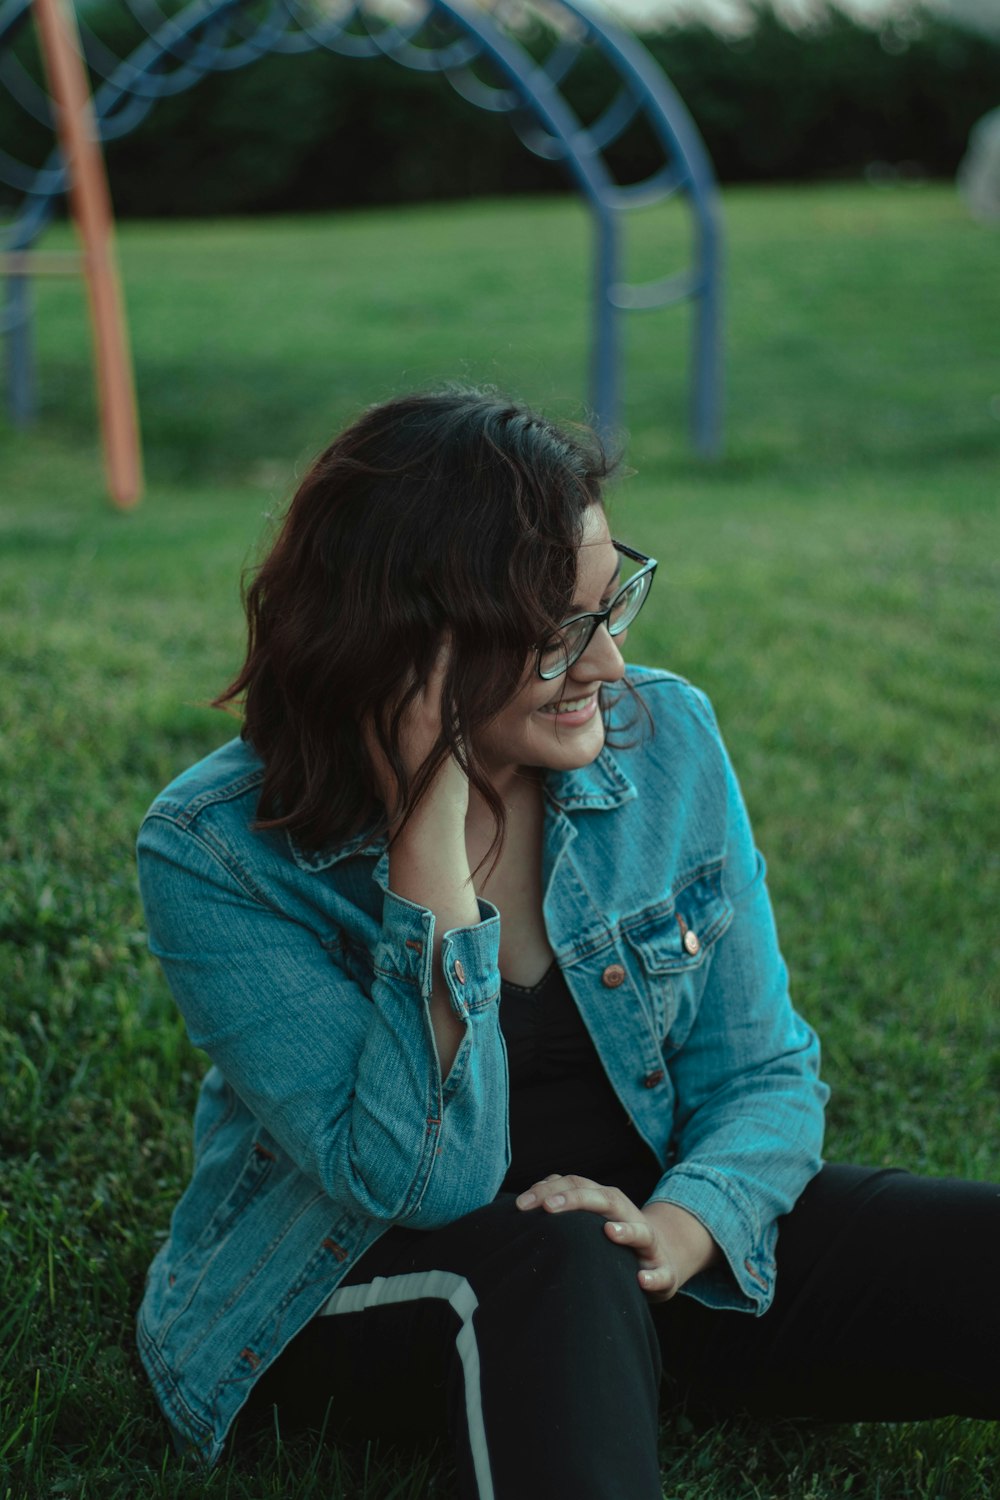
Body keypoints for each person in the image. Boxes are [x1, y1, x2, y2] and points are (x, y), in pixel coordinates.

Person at [135, 389, 997, 1498]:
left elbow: (765, 1075)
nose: (607, 668)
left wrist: (684, 1230)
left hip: (644, 1252)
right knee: (560, 1264)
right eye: (553, 636)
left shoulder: (667, 735)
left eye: (610, 606)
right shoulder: (215, 850)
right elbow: (420, 1182)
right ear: (407, 643)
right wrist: (429, 827)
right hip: (368, 1286)